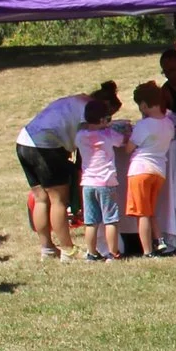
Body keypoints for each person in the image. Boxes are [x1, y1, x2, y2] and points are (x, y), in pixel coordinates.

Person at [15, 79, 110, 261]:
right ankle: (68, 250)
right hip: (45, 146)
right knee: (58, 200)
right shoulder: (89, 110)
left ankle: (47, 249)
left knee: (41, 199)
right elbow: (86, 142)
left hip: (23, 142)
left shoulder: (78, 100)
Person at [73, 88, 127, 262]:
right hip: (106, 182)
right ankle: (113, 253)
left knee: (91, 221)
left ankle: (91, 252)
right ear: (103, 119)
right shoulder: (108, 134)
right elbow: (123, 141)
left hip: (88, 183)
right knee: (110, 220)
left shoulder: (80, 136)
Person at [126, 82, 176, 255]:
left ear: (143, 105)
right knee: (150, 210)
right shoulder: (168, 123)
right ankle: (159, 241)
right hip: (159, 171)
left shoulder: (143, 125)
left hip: (140, 170)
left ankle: (147, 250)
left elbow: (128, 148)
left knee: (142, 214)